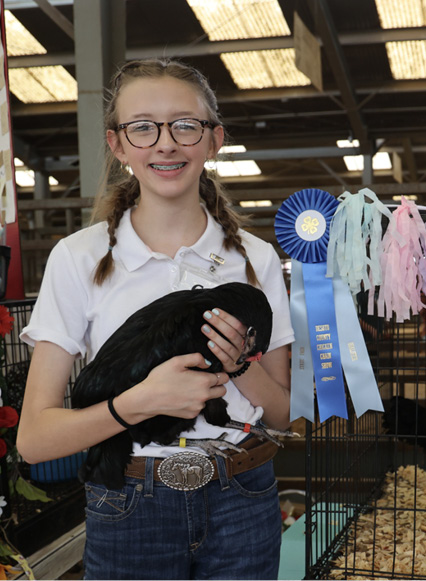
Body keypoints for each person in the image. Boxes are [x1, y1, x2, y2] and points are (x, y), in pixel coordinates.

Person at [16, 58, 294, 580]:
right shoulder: (78, 258)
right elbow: (33, 439)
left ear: (214, 141)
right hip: (128, 502)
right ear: (119, 145)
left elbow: (281, 417)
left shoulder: (255, 260)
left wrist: (239, 364)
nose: (165, 143)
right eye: (143, 127)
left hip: (243, 496)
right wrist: (136, 405)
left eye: (185, 125)